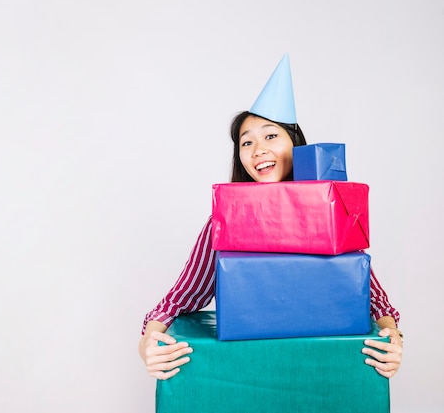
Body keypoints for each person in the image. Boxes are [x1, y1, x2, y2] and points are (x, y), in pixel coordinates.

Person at [138, 55, 403, 381]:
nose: (257, 149)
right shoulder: (224, 221)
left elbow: (375, 300)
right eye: (246, 142)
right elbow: (180, 298)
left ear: (296, 144)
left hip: (322, 372)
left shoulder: (332, 211)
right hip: (250, 374)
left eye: (270, 136)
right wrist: (148, 343)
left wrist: (392, 339)